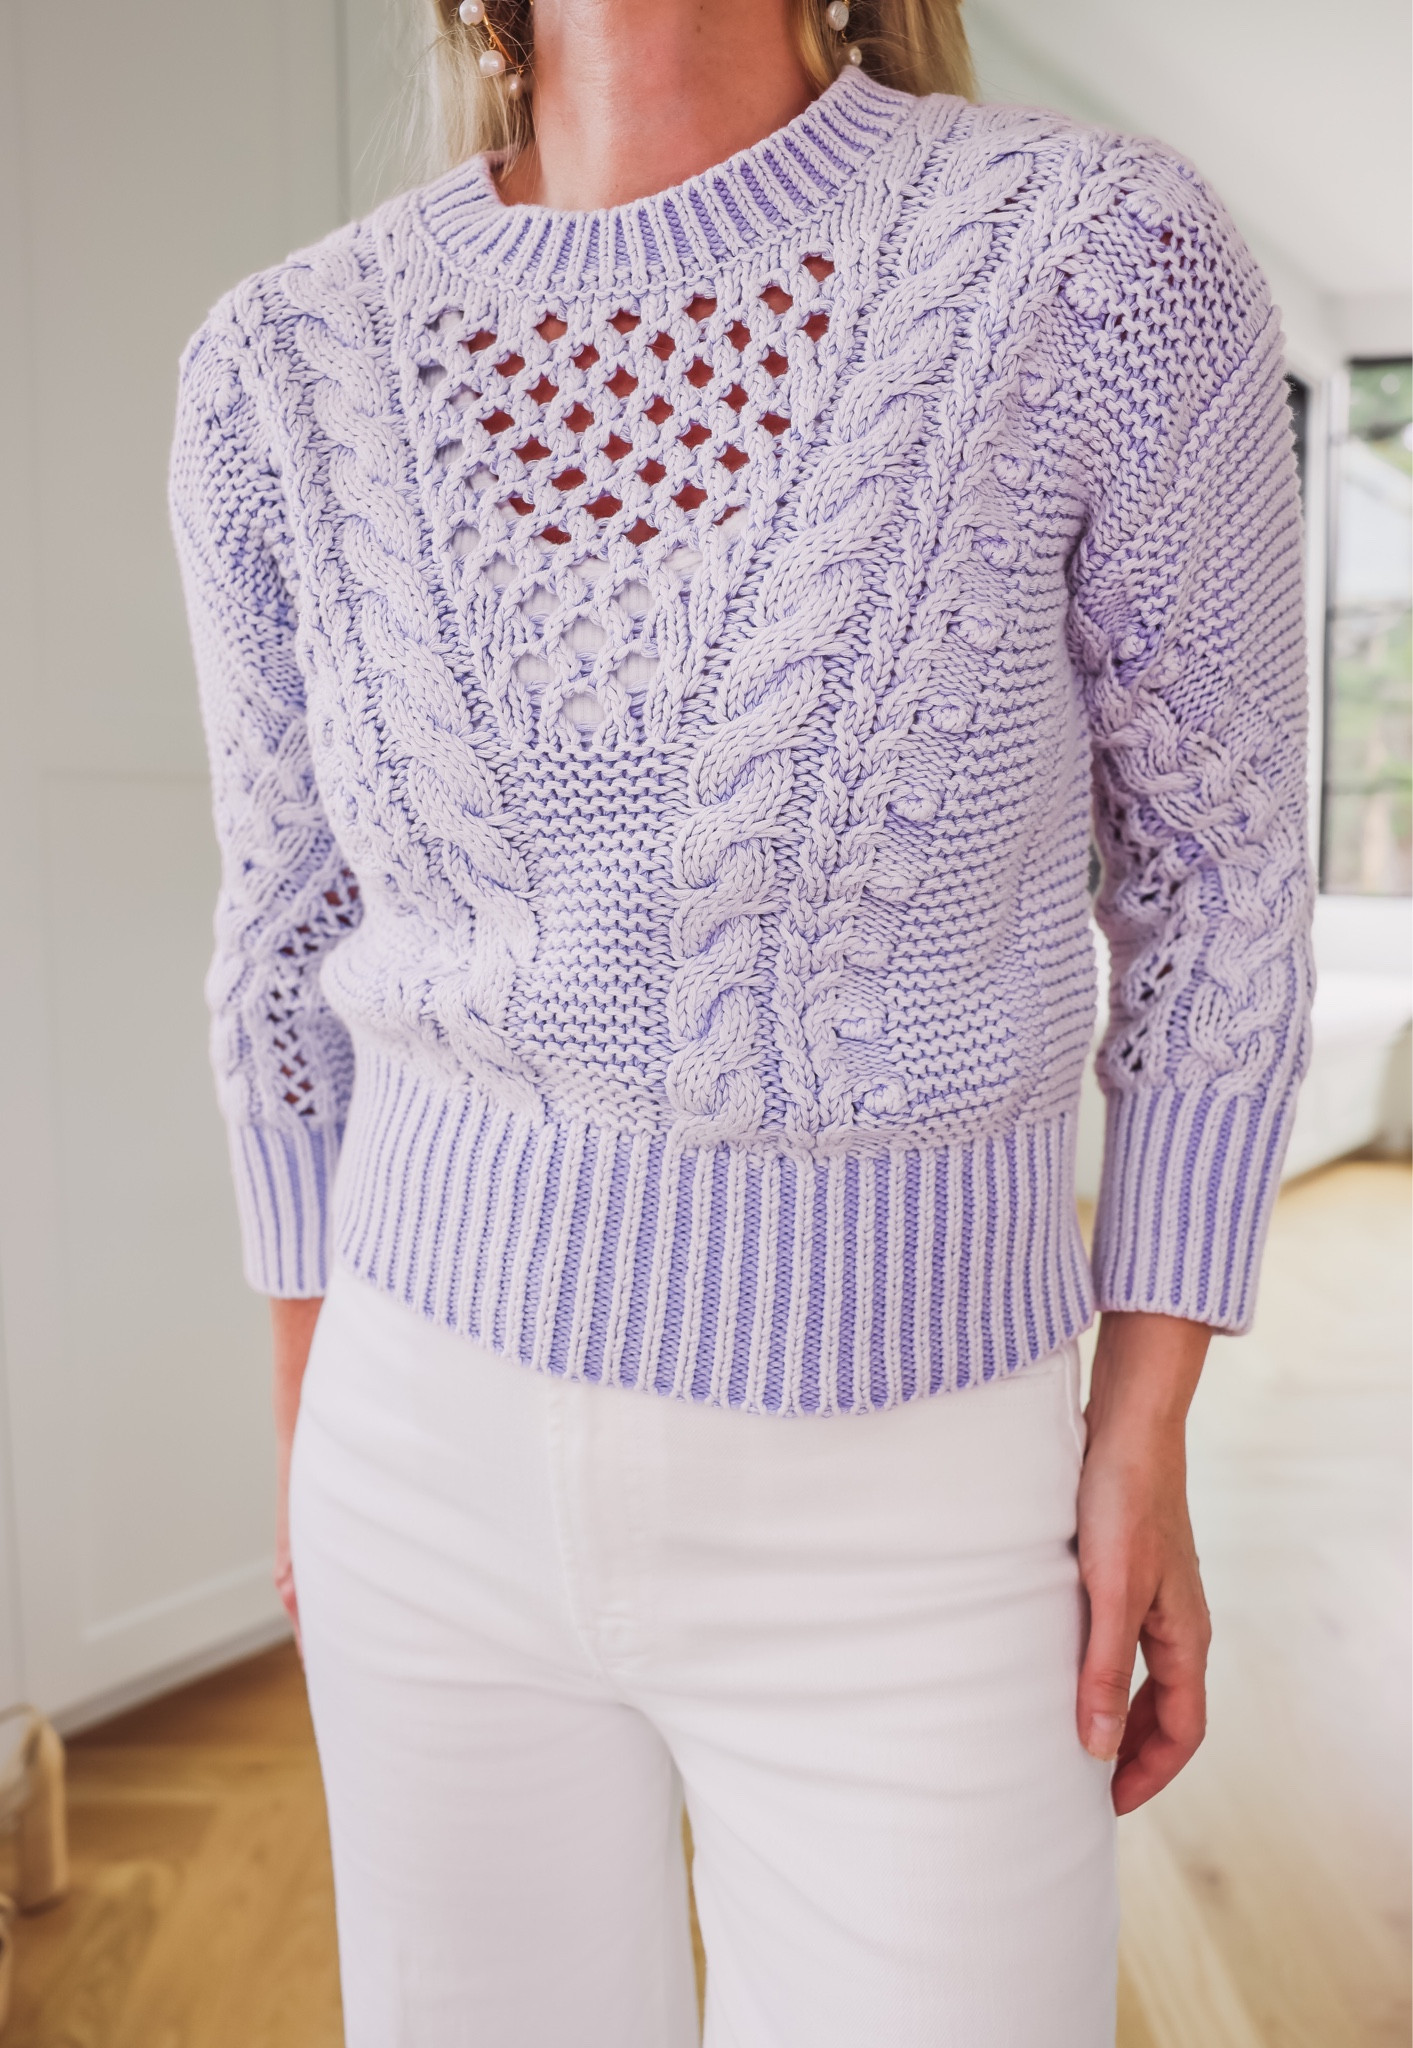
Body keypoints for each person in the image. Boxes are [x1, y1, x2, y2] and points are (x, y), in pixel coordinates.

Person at [169, 1, 1315, 2041]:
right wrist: (305, 1423)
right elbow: (281, 931)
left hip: (919, 1497)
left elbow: (1218, 878)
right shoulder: (277, 364)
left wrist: (1142, 1415)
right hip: (414, 1458)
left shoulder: (1094, 260)